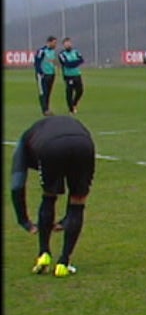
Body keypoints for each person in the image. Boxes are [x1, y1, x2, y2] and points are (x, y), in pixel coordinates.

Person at [10, 115, 95, 277]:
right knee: (78, 200)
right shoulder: (41, 130)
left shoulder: (25, 141)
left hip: (51, 147)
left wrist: (24, 221)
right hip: (84, 143)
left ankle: (44, 253)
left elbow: (17, 184)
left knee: (49, 196)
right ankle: (64, 262)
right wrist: (67, 220)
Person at [58, 37, 85, 114]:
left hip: (77, 74)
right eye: (66, 44)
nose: (68, 45)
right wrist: (75, 63)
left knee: (80, 91)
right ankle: (71, 109)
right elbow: (67, 64)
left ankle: (74, 104)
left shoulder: (76, 52)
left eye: (69, 43)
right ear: (64, 45)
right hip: (68, 76)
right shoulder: (62, 54)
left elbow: (81, 60)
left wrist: (73, 63)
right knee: (69, 92)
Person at [34, 36, 59, 116]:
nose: (55, 44)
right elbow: (37, 63)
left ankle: (47, 109)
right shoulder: (42, 51)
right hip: (43, 75)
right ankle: (44, 110)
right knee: (43, 92)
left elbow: (54, 62)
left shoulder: (53, 52)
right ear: (49, 42)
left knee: (48, 93)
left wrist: (56, 68)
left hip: (51, 74)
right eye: (54, 43)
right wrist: (41, 73)